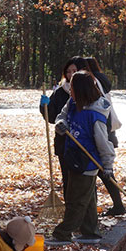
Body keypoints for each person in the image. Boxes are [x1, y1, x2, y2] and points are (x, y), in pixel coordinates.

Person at [47, 71, 115, 246]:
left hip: (88, 162)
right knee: (88, 198)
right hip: (74, 156)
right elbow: (62, 115)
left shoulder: (95, 115)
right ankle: (90, 231)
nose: (70, 92)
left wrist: (107, 166)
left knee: (76, 199)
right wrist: (62, 124)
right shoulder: (72, 103)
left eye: (73, 88)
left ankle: (63, 233)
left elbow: (103, 143)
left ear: (82, 90)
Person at [83, 56, 125, 216]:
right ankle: (116, 204)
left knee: (103, 171)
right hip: (108, 129)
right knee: (104, 172)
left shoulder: (93, 81)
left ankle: (114, 205)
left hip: (101, 130)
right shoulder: (102, 78)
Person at [39, 57, 83, 198]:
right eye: (69, 72)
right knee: (67, 178)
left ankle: (86, 211)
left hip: (82, 142)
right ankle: (69, 208)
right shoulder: (59, 92)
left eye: (75, 71)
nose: (72, 74)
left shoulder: (87, 90)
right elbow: (51, 117)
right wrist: (44, 106)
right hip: (64, 141)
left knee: (83, 179)